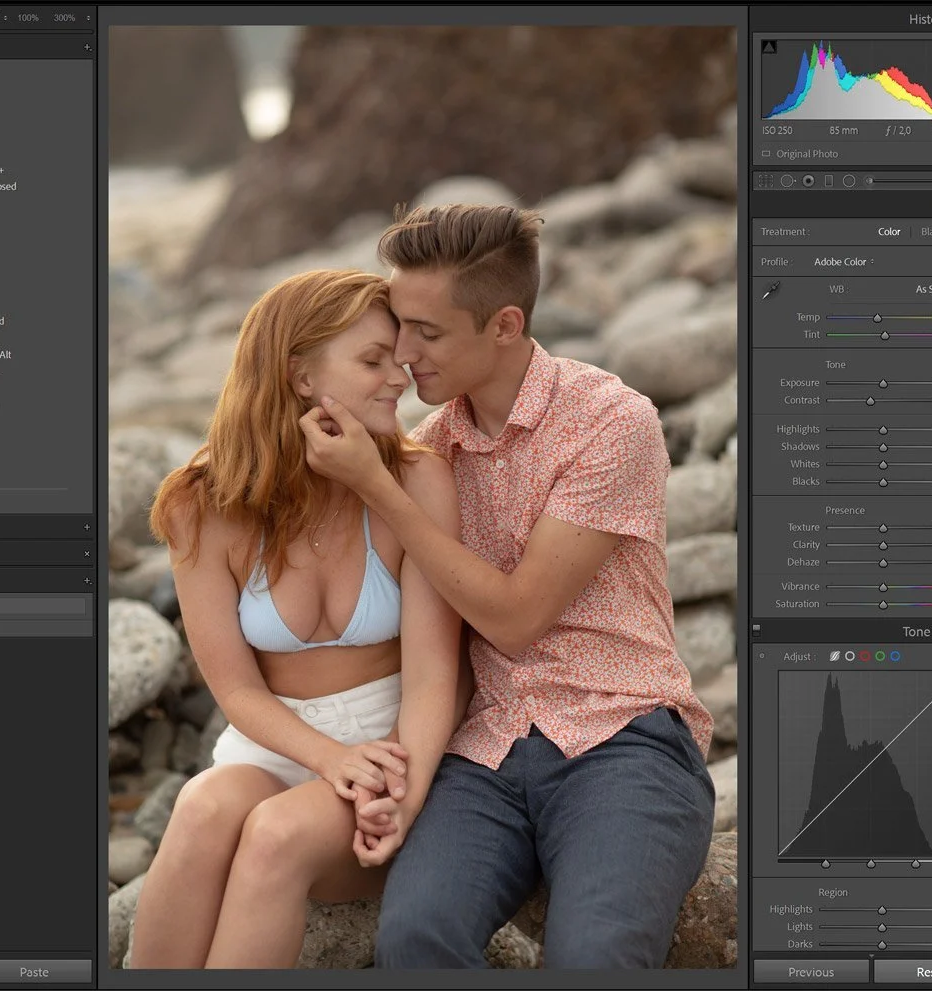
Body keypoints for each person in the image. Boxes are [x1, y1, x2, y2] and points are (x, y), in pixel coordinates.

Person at [299, 205, 718, 969]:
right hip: (483, 753)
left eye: (428, 331)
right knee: (414, 937)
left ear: (504, 324)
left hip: (620, 739)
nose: (403, 351)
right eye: (398, 325)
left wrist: (379, 488)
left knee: (595, 956)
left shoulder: (609, 421)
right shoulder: (430, 447)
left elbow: (518, 617)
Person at [130, 269, 464, 970]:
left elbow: (437, 677)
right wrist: (326, 757)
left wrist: (402, 791)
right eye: (373, 361)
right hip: (275, 743)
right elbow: (237, 689)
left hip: (395, 751)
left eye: (397, 361)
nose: (398, 379)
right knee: (200, 809)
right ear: (300, 375)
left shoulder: (415, 481)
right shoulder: (201, 503)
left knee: (276, 837)